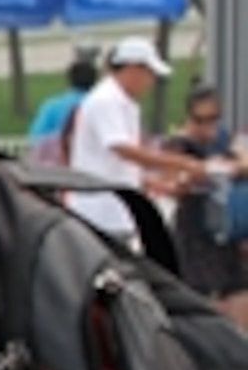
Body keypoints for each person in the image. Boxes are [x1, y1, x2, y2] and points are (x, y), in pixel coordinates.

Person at [67, 36, 188, 243]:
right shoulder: (106, 100)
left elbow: (117, 164)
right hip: (100, 212)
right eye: (149, 74)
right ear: (133, 69)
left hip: (117, 211)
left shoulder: (124, 104)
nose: (150, 82)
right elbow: (122, 149)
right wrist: (181, 163)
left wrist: (153, 183)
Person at [158, 82, 246, 318]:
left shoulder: (223, 139)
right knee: (198, 295)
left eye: (213, 119)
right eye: (200, 120)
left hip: (226, 229)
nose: (208, 127)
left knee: (238, 290)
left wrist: (231, 168)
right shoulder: (179, 144)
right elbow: (168, 182)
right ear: (189, 117)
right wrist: (188, 179)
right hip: (195, 228)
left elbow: (241, 160)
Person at [24, 54, 96, 165]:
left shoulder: (51, 106)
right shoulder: (100, 106)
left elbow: (35, 138)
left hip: (59, 167)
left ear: (68, 80)